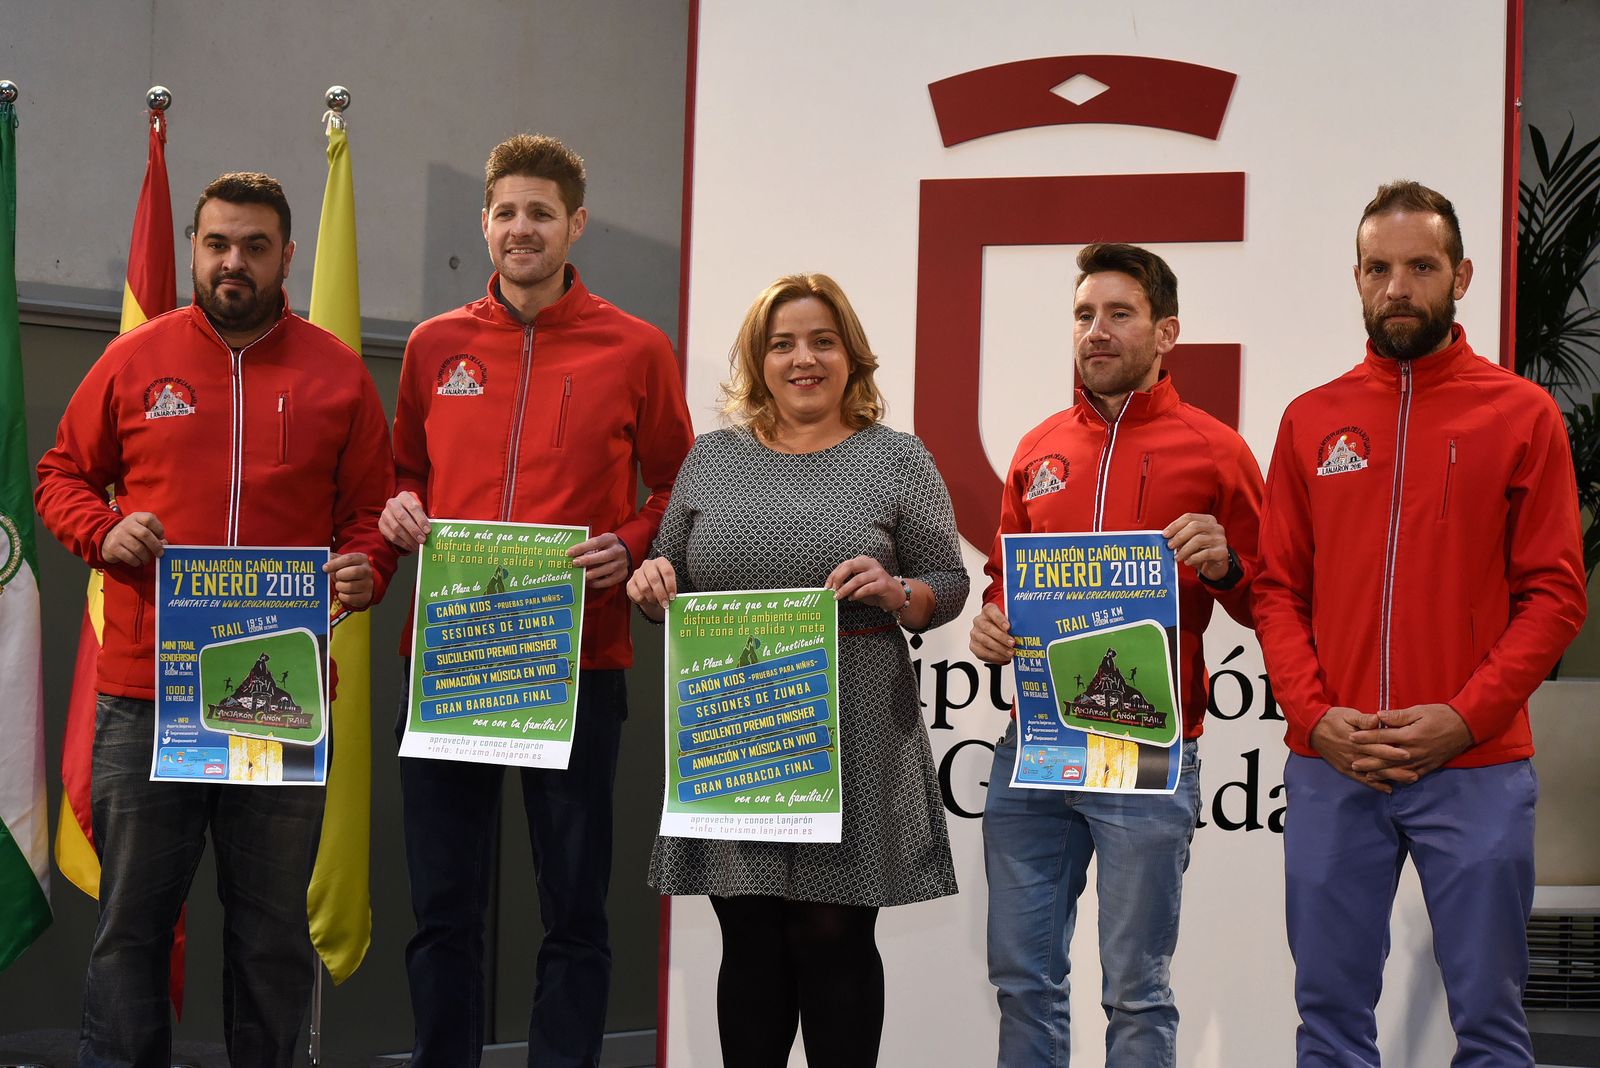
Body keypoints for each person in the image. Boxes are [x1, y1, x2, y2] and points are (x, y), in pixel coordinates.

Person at [34, 172, 395, 1068]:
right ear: (194, 246)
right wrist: (103, 528)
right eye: (217, 243)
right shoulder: (134, 359)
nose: (235, 262)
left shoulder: (336, 373)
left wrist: (365, 569)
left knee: (272, 937)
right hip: (145, 695)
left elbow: (370, 515)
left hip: (279, 701)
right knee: (131, 933)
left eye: (255, 246)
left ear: (287, 257)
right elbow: (60, 475)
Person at [380, 134, 695, 1068]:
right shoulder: (435, 346)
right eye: (507, 212)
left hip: (580, 663)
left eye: (541, 213)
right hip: (449, 659)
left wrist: (632, 543)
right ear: (485, 222)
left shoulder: (637, 347)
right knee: (442, 908)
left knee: (575, 908)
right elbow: (401, 472)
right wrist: (399, 508)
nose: (522, 229)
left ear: (576, 226)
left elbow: (680, 487)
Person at [1255, 180, 1587, 1067]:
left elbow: (1555, 595)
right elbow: (1277, 588)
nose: (1398, 287)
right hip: (1336, 765)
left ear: (1462, 276)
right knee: (1328, 1024)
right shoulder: (1311, 421)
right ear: (1357, 278)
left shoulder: (1521, 416)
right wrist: (1315, 718)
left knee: (1488, 1023)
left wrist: (1464, 717)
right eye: (1379, 268)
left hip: (1474, 767)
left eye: (1421, 267)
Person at [626, 272, 968, 1068]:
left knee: (834, 933)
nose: (802, 359)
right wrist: (650, 586)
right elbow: (662, 571)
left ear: (851, 355)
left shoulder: (897, 458)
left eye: (821, 341)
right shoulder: (710, 459)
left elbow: (946, 583)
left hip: (852, 727)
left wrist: (898, 590)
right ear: (758, 359)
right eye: (782, 344)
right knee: (746, 935)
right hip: (735, 724)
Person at [968, 243, 1264, 1066]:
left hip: (1151, 755)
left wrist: (1227, 563)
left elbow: (1269, 596)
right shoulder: (1035, 449)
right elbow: (1004, 578)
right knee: (1023, 980)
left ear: (1166, 332)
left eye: (1119, 314)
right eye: (1084, 315)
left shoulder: (1217, 450)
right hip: (1036, 752)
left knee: (1136, 989)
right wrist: (992, 621)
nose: (1096, 331)